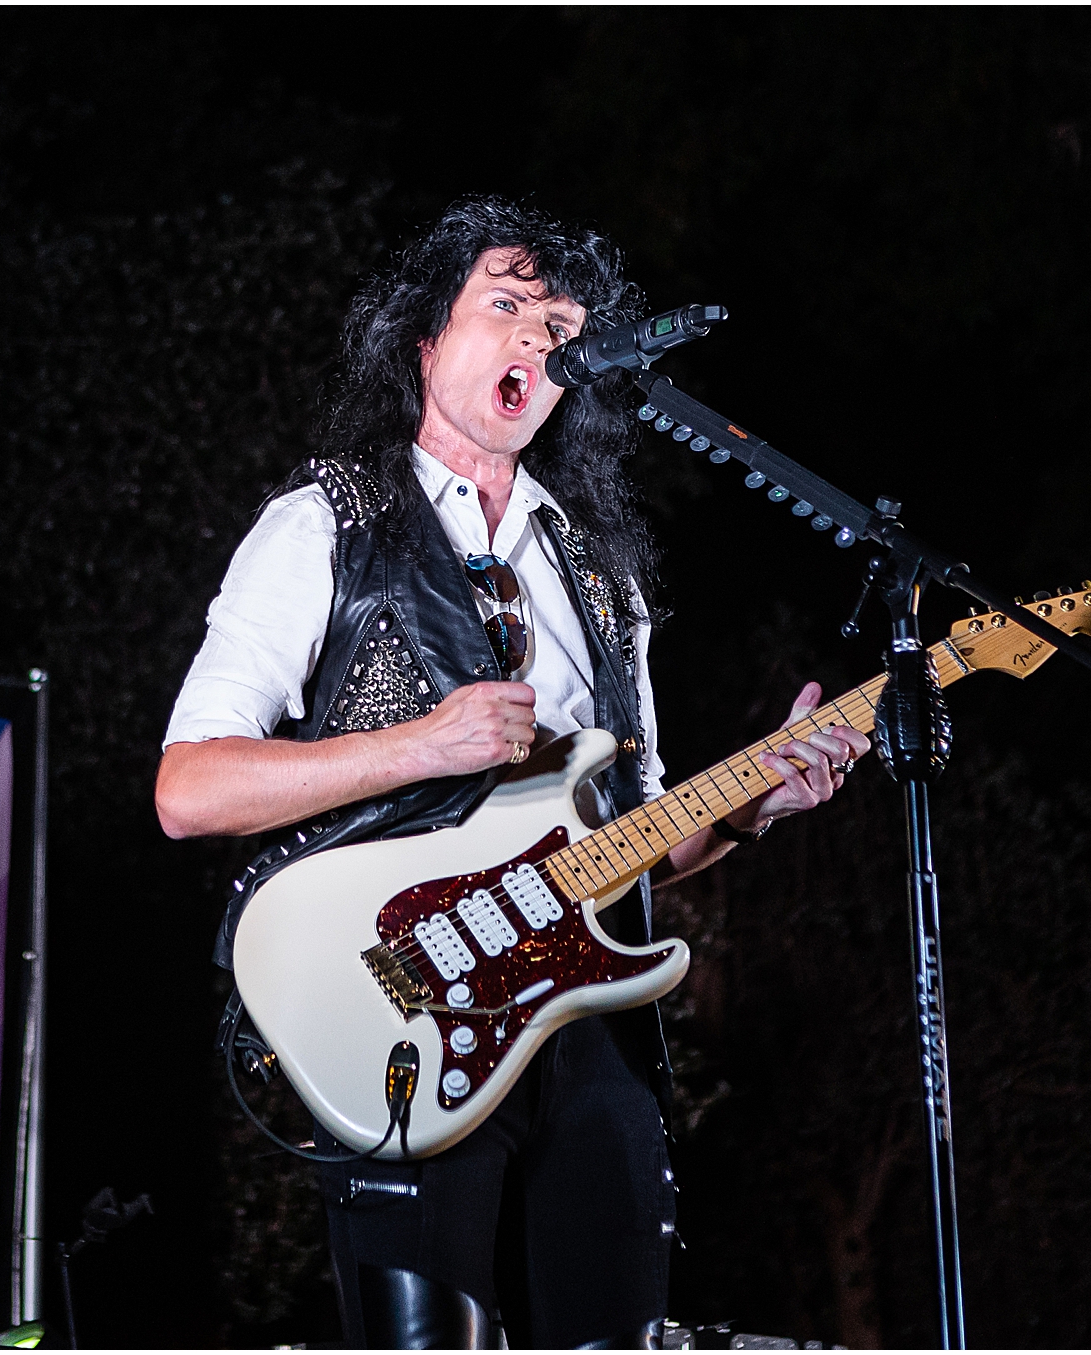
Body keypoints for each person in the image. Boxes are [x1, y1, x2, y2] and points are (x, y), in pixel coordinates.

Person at [156, 198, 870, 1349]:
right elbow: (188, 789)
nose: (541, 335)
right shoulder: (323, 525)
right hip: (404, 1007)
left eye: (563, 320)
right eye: (507, 303)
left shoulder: (600, 580)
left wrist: (750, 809)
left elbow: (642, 838)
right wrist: (418, 745)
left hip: (585, 1031)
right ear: (426, 341)